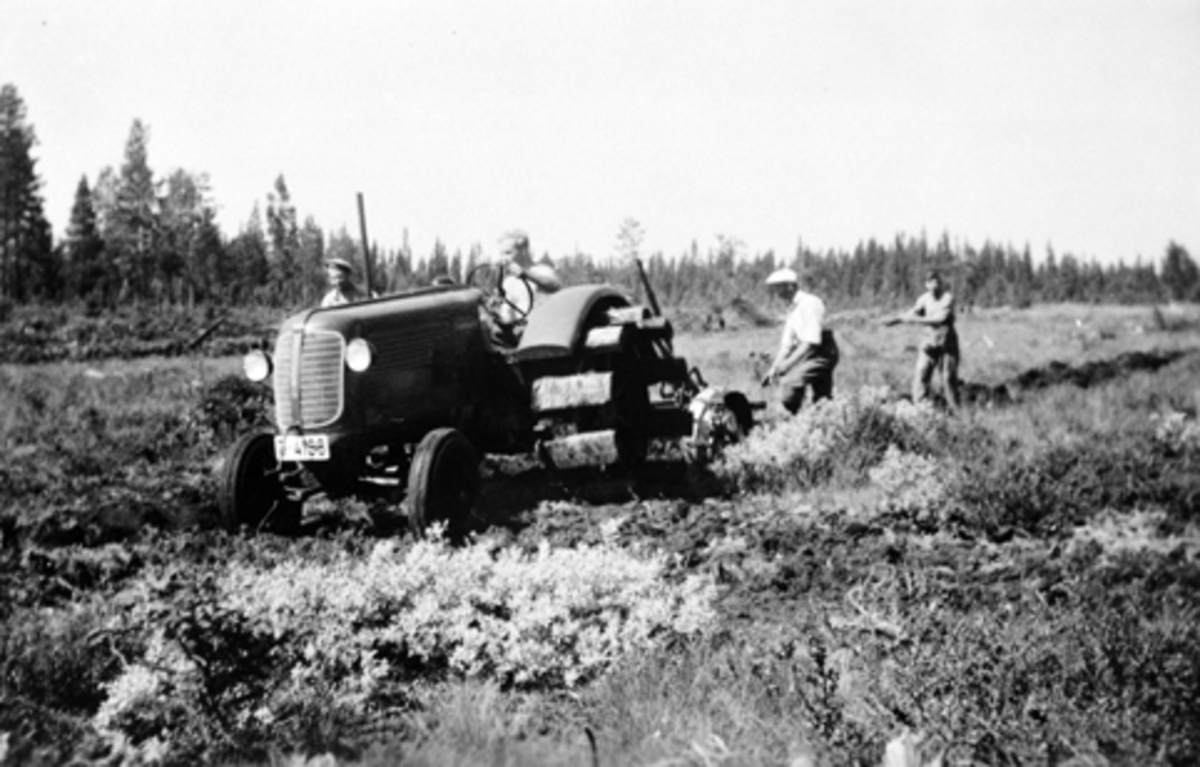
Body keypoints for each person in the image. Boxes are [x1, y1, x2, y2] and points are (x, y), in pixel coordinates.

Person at [761, 267, 840, 414]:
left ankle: (798, 421)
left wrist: (787, 365)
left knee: (789, 384)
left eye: (779, 288)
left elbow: (811, 342)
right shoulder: (792, 308)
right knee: (823, 399)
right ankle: (815, 424)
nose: (777, 293)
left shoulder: (810, 303)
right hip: (807, 351)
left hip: (822, 353)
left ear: (790, 286)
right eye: (775, 288)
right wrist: (774, 369)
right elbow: (786, 344)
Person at [883, 269, 960, 408]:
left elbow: (940, 318)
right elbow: (912, 313)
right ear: (927, 284)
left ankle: (956, 412)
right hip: (929, 343)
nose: (935, 283)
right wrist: (896, 319)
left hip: (947, 345)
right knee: (921, 373)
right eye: (932, 281)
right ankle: (920, 409)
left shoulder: (947, 298)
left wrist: (916, 319)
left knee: (947, 379)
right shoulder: (923, 299)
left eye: (938, 280)